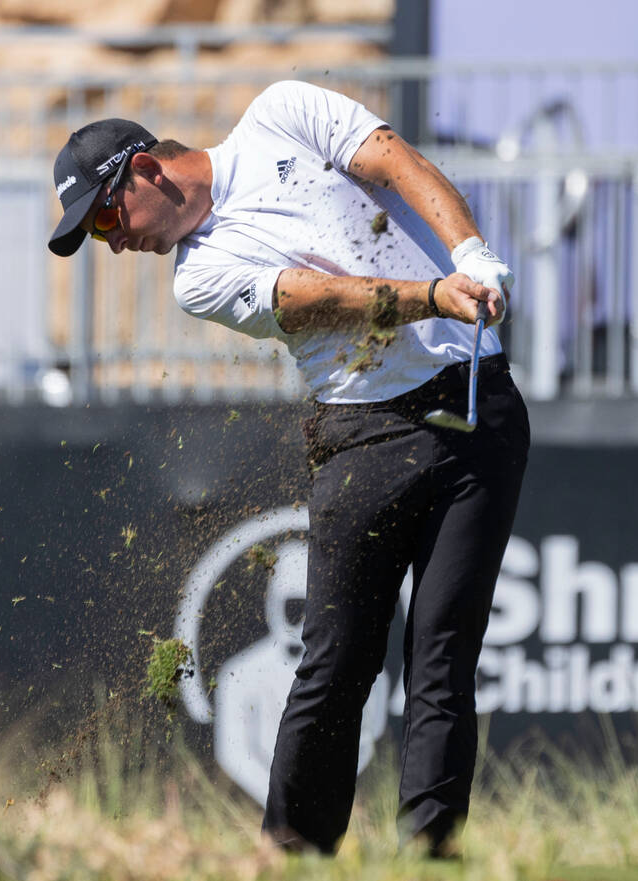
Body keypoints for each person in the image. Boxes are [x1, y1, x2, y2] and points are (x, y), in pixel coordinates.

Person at [46, 79, 530, 858]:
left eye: (107, 217)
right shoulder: (197, 277)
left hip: (477, 407)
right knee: (337, 659)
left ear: (145, 171)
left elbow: (396, 164)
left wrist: (472, 253)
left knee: (444, 650)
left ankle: (432, 851)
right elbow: (321, 298)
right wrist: (437, 293)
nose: (113, 242)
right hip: (363, 432)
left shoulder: (281, 113)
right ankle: (294, 851)